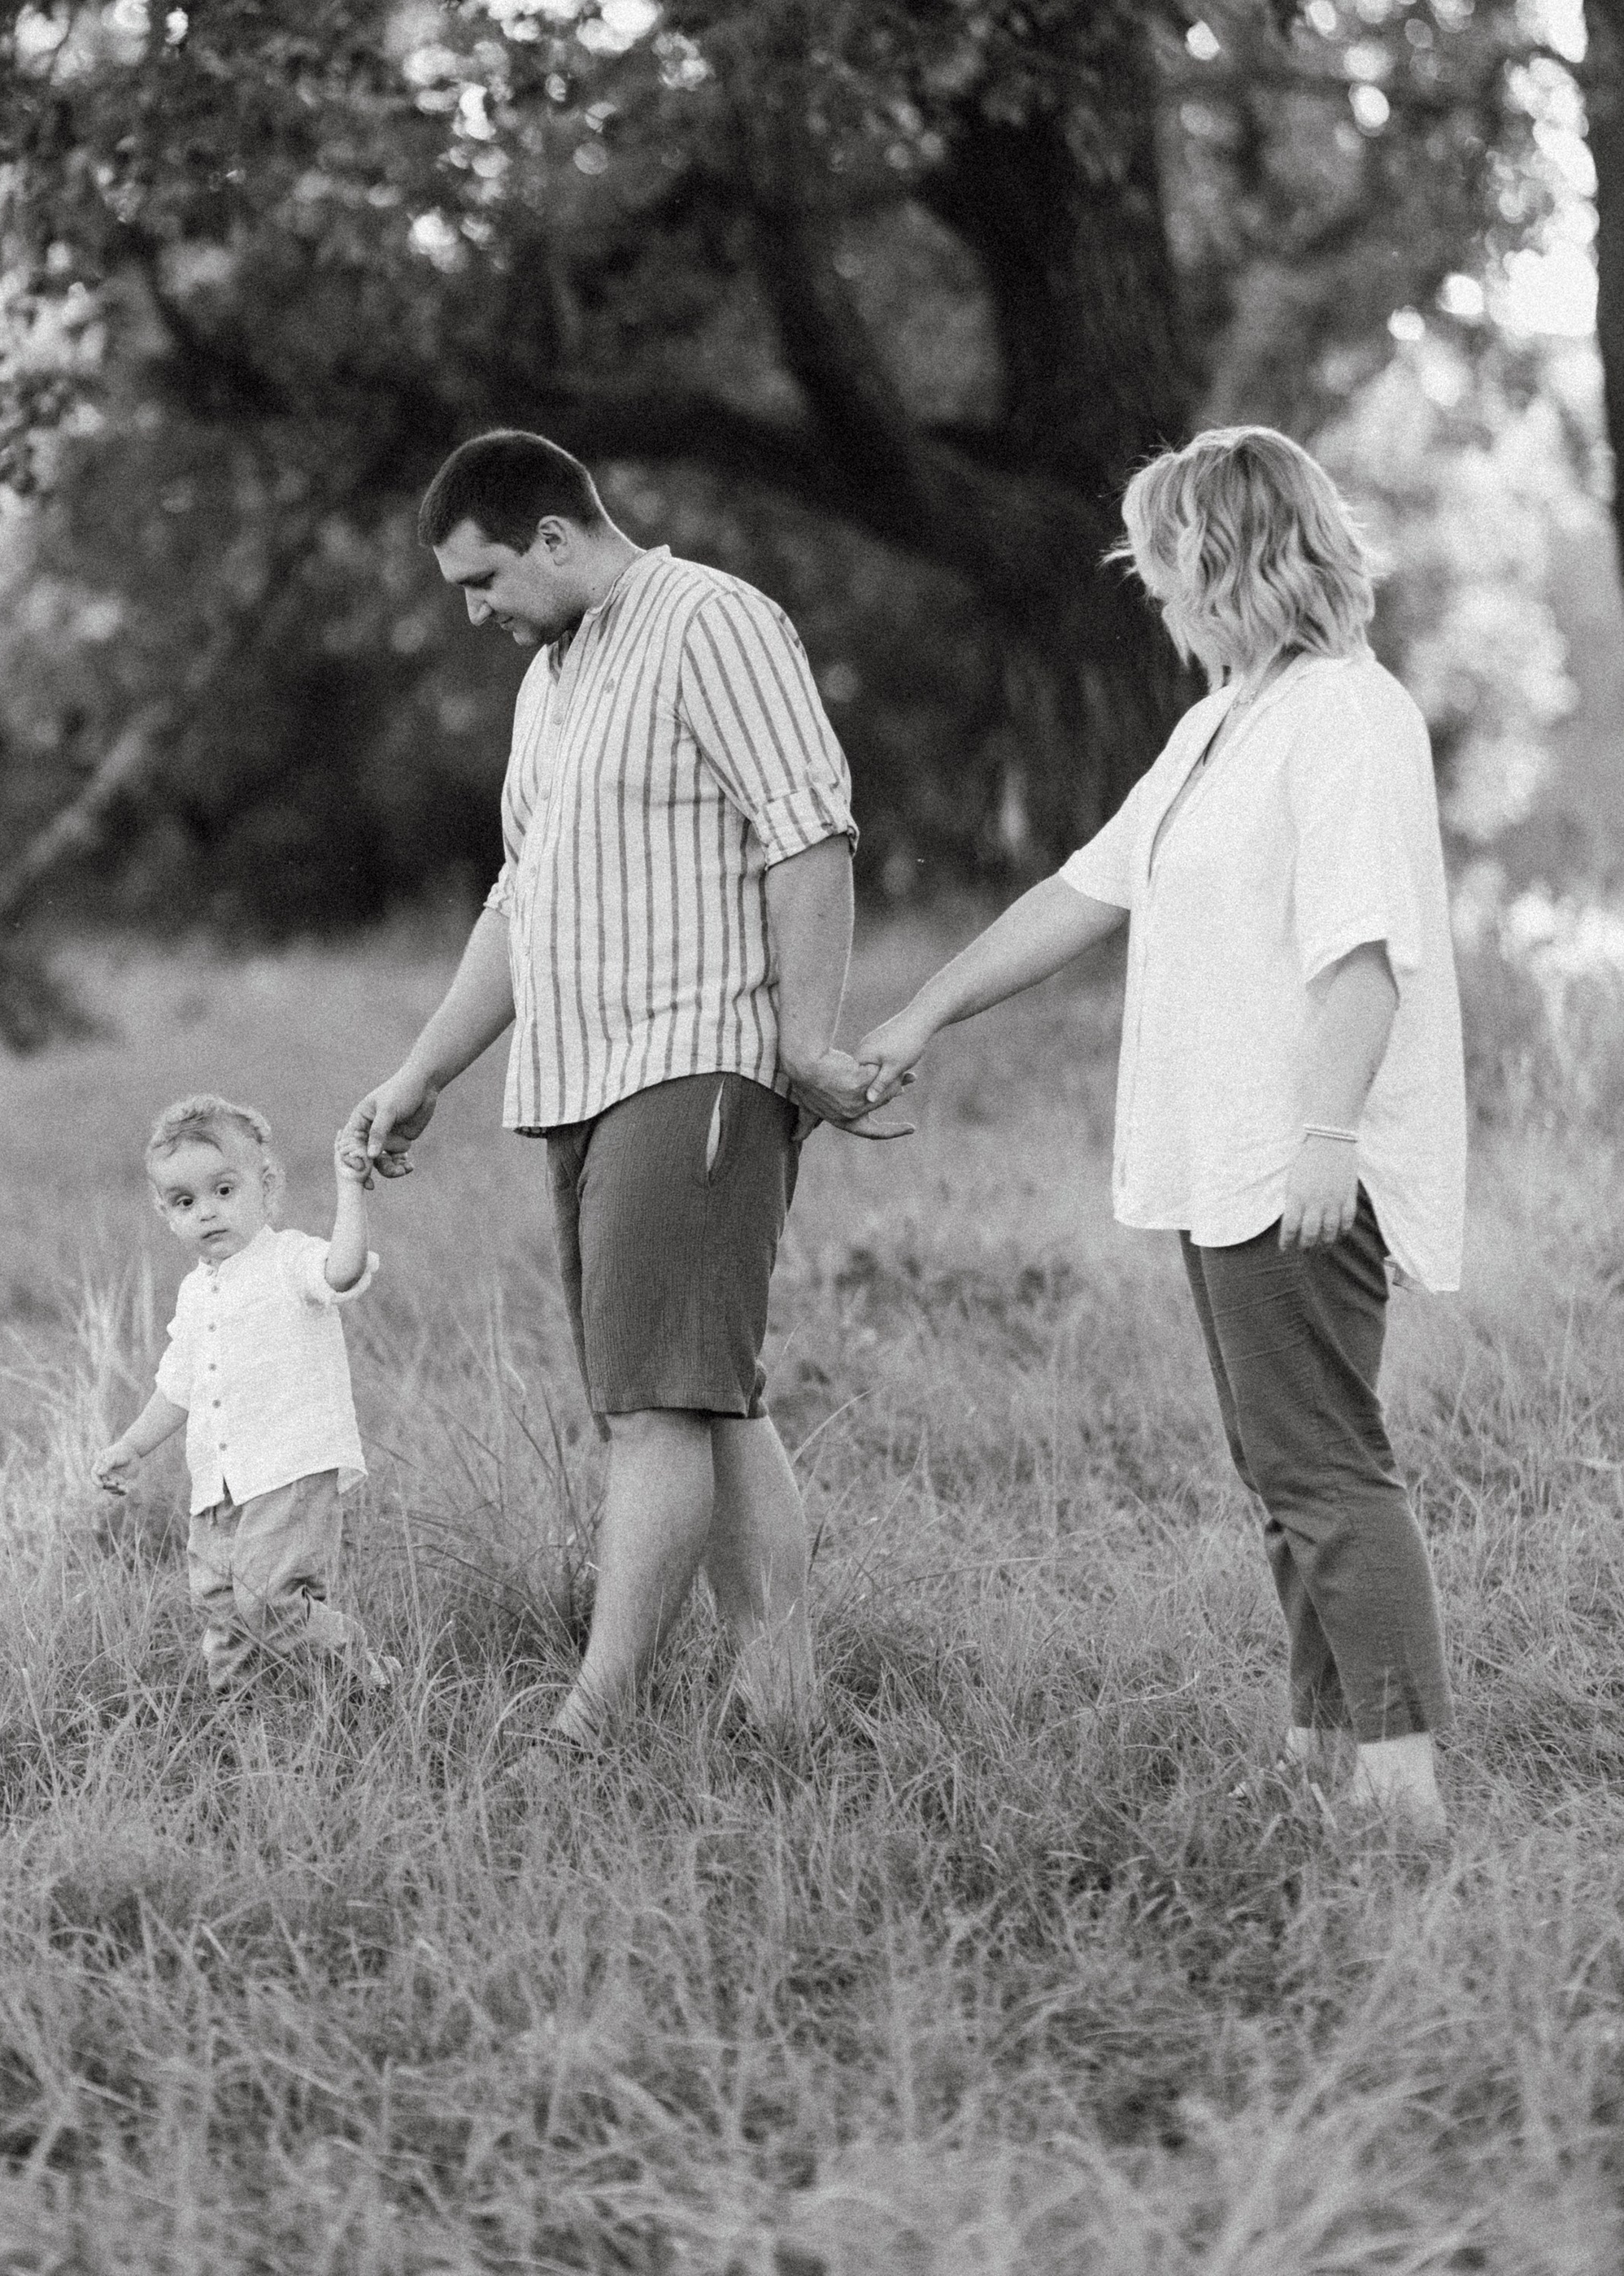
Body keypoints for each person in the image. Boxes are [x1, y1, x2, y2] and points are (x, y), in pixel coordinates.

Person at [858, 425, 1463, 1837]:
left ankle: (1399, 1791)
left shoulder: (1345, 718)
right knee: (1281, 1468)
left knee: (1322, 1463)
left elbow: (1367, 956)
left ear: (1228, 558)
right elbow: (1080, 894)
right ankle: (1321, 1758)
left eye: (1170, 560)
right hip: (1224, 1156)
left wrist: (1324, 1134)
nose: (1155, 589)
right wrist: (920, 1019)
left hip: (1299, 1157)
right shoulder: (1220, 724)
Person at [345, 430, 897, 1750]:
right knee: (702, 1391)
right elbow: (516, 901)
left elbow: (810, 831)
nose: (476, 613)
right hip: (582, 1078)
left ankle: (591, 1724)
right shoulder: (551, 683)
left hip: (697, 1062)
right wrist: (424, 1069)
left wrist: (809, 1042)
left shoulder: (713, 621)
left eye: (484, 580)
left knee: (654, 1406)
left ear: (552, 534)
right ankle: (785, 1695)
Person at [96, 1094, 396, 1697]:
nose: (207, 1212)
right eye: (186, 1202)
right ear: (166, 1213)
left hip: (287, 1469)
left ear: (265, 1184)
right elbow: (177, 1386)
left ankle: (365, 1671)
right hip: (218, 1485)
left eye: (224, 1192)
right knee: (222, 1608)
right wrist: (132, 1445)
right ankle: (241, 1723)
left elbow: (341, 1271)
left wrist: (349, 1190)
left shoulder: (288, 1260)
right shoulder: (193, 1291)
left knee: (271, 1603)